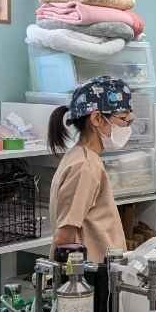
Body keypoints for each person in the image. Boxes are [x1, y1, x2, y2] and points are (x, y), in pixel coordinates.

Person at [47, 76, 134, 262]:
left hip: (101, 267)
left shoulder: (80, 157)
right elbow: (64, 237)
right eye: (123, 118)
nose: (127, 126)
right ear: (97, 118)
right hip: (89, 272)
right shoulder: (84, 166)